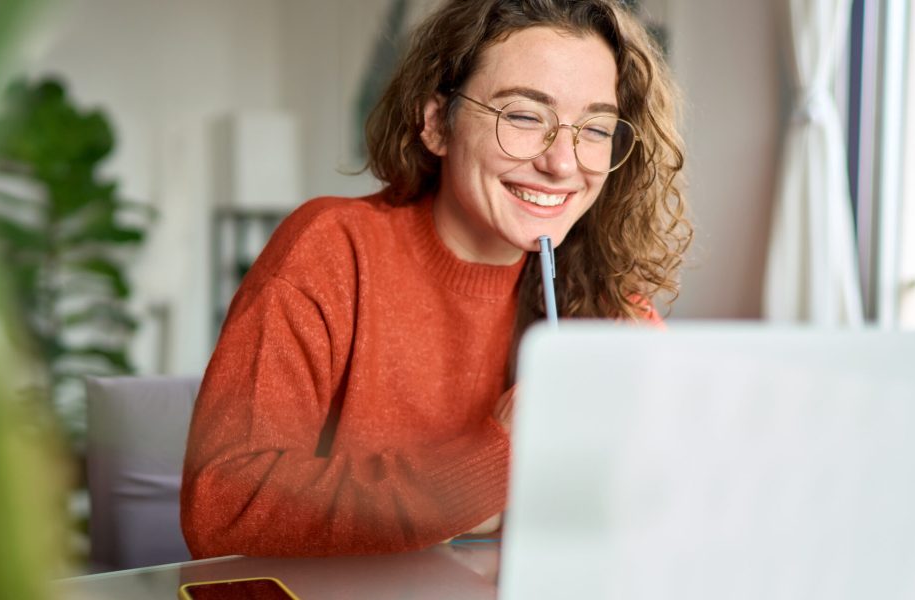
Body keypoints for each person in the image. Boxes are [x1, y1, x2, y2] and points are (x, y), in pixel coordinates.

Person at [181, 0, 690, 558]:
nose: (563, 163)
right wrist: (493, 463)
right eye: (523, 116)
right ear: (435, 123)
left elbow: (668, 515)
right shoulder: (331, 250)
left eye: (594, 128)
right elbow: (224, 509)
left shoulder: (609, 307)